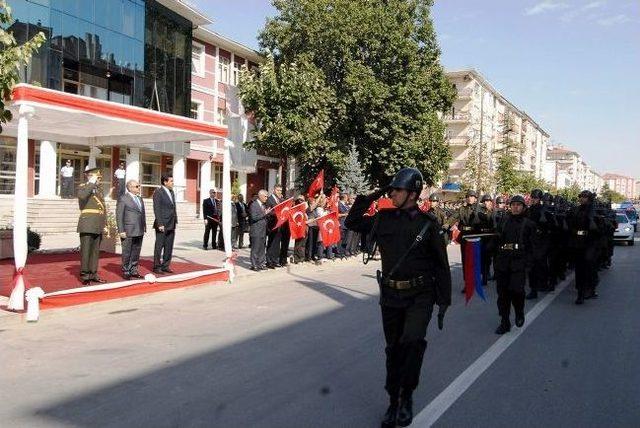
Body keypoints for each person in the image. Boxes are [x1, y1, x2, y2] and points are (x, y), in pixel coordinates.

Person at [345, 168, 451, 428]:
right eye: (391, 189)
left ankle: (407, 398)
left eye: (398, 189)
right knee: (393, 350)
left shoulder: (428, 223)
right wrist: (375, 193)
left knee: (412, 343)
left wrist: (443, 301)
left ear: (413, 194)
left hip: (420, 296)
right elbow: (352, 222)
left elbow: (441, 265)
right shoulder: (384, 218)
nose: (392, 193)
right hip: (391, 295)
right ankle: (394, 400)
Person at [493, 195, 535, 334]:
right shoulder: (504, 221)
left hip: (519, 262)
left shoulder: (529, 224)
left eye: (519, 205)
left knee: (517, 291)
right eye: (513, 205)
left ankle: (519, 312)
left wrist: (529, 264)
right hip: (503, 262)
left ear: (523, 207)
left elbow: (532, 246)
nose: (515, 207)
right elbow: (497, 240)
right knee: (503, 294)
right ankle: (504, 321)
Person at [568, 190, 600, 304]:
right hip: (578, 243)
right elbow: (570, 224)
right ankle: (580, 292)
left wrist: (593, 223)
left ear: (590, 199)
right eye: (581, 196)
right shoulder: (576, 210)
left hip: (590, 243)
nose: (582, 198)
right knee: (579, 268)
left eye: (585, 197)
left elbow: (601, 229)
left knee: (589, 266)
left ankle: (590, 288)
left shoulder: (595, 211)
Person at [77, 167, 107, 285]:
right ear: (91, 177)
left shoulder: (98, 190)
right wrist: (91, 183)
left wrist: (105, 224)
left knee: (95, 251)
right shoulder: (83, 187)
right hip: (87, 223)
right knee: (86, 251)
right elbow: (82, 197)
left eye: (99, 178)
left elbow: (102, 208)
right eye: (97, 178)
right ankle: (85, 275)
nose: (99, 180)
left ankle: (93, 274)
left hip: (97, 223)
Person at [525, 189, 556, 300]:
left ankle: (545, 283)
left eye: (536, 198)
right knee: (532, 267)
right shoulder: (528, 211)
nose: (533, 200)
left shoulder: (546, 212)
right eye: (532, 197)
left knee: (541, 265)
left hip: (542, 243)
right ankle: (534, 290)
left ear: (540, 199)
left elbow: (552, 228)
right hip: (530, 242)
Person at [448, 190, 480, 292]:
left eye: (472, 196)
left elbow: (486, 221)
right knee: (465, 261)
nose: (470, 198)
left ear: (475, 198)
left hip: (475, 237)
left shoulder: (479, 209)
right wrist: (447, 224)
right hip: (465, 237)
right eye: (468, 196)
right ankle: (467, 283)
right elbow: (454, 217)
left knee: (473, 262)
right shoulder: (462, 209)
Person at [116, 179, 146, 280]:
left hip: (139, 229)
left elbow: (142, 213)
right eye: (137, 186)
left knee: (136, 251)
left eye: (139, 186)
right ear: (130, 188)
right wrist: (121, 230)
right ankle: (126, 271)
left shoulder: (139, 198)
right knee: (127, 251)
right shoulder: (123, 198)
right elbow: (119, 215)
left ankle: (134, 270)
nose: (139, 188)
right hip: (128, 230)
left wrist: (144, 226)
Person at [152, 174, 178, 274]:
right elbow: (157, 208)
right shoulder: (159, 192)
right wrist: (160, 223)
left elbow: (173, 207)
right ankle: (156, 267)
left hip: (171, 223)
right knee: (159, 246)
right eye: (171, 181)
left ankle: (165, 265)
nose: (172, 183)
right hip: (162, 224)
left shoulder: (171, 192)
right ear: (165, 182)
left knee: (169, 246)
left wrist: (175, 220)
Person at [249, 189, 273, 270]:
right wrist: (264, 213)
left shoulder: (264, 205)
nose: (267, 198)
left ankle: (261, 264)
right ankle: (254, 265)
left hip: (263, 230)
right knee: (255, 248)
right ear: (261, 196)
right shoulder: (254, 205)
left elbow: (264, 216)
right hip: (256, 230)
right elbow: (254, 217)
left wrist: (268, 214)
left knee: (262, 248)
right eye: (265, 196)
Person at [265, 184, 284, 268]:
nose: (279, 192)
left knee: (277, 244)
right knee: (271, 243)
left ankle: (275, 260)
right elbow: (269, 212)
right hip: (272, 224)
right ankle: (269, 261)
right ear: (274, 190)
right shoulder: (269, 199)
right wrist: (277, 213)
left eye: (280, 190)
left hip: (279, 224)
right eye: (278, 190)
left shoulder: (280, 200)